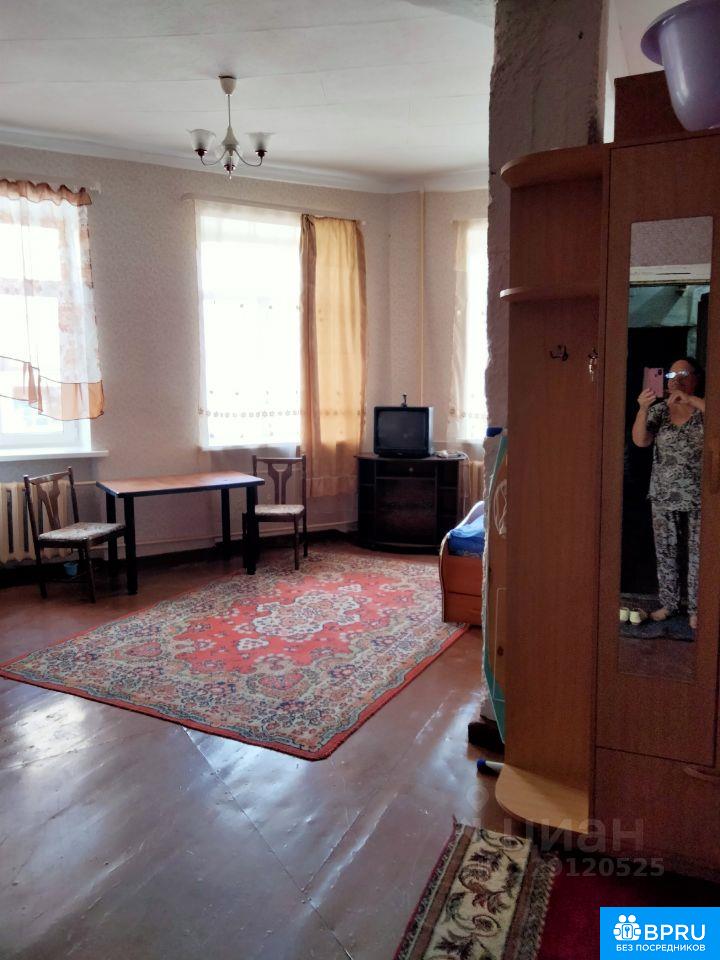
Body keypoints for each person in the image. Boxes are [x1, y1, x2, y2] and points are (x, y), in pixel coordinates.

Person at [632, 358, 705, 630]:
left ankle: (697, 609)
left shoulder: (704, 407)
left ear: (696, 377)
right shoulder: (660, 410)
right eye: (671, 375)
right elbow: (640, 440)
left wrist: (690, 400)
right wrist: (643, 408)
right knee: (666, 552)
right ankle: (670, 603)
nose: (676, 379)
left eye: (683, 373)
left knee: (699, 554)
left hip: (700, 494)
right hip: (664, 493)